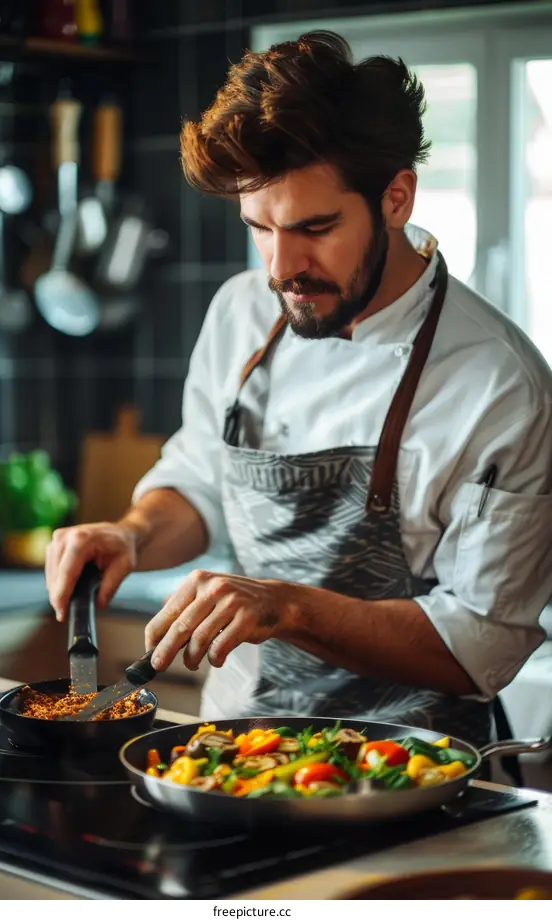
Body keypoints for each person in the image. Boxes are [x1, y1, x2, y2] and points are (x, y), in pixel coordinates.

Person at [46, 31, 552, 747]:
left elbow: (482, 644)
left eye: (315, 228)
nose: (282, 268)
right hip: (233, 752)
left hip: (410, 775)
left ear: (397, 198)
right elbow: (199, 483)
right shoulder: (242, 310)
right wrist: (132, 534)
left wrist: (289, 609)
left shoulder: (501, 385)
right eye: (259, 227)